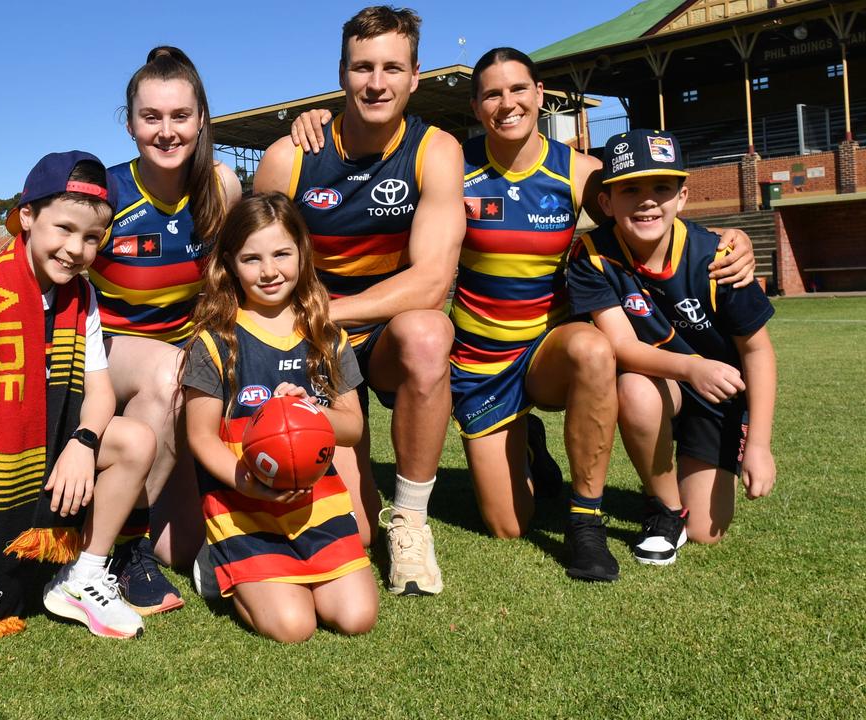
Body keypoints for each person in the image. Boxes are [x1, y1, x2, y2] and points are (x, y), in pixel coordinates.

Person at [290, 43, 757, 582]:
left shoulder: (581, 173)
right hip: (480, 362)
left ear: (540, 95)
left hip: (546, 351)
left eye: (518, 89)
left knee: (591, 347)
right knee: (509, 524)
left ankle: (586, 523)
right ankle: (531, 447)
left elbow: (647, 207)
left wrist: (728, 236)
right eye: (492, 94)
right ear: (476, 106)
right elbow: (375, 158)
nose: (506, 103)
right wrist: (319, 120)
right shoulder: (451, 165)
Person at [253, 6, 466, 597]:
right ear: (342, 74)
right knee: (348, 532)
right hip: (314, 338)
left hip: (375, 329)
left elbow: (429, 284)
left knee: (428, 332)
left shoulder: (436, 150)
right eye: (363, 67)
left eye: (392, 68)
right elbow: (254, 264)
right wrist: (309, 323)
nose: (377, 82)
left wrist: (331, 311)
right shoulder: (288, 157)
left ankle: (413, 523)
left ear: (415, 76)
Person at [0, 151, 155, 646]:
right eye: (64, 229)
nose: (76, 249)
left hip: (54, 459)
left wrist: (84, 442)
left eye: (92, 237)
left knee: (134, 440)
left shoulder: (82, 298)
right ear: (27, 217)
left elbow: (100, 392)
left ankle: (82, 576)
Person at [568, 129, 776, 564]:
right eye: (630, 189)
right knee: (635, 390)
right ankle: (665, 508)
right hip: (667, 385)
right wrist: (690, 368)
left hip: (720, 398)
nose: (647, 201)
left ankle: (690, 494)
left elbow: (757, 352)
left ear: (681, 197)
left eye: (661, 187)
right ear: (606, 202)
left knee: (707, 532)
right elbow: (621, 345)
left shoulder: (718, 257)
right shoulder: (592, 255)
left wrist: (759, 445)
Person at [182, 193, 377, 643]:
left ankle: (283, 577)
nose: (269, 271)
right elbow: (200, 437)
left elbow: (353, 427)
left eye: (281, 254)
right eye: (251, 258)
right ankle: (219, 563)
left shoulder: (326, 335)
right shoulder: (216, 341)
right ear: (229, 263)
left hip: (315, 502)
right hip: (244, 506)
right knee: (293, 627)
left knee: (357, 617)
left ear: (302, 252)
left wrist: (314, 412)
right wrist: (244, 481)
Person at [90, 46, 241, 612]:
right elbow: (37, 272)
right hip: (107, 356)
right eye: (151, 117)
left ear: (201, 118)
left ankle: (129, 528)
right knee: (169, 367)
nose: (167, 131)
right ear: (130, 123)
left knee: (185, 544)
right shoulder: (105, 191)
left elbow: (233, 283)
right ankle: (120, 554)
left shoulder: (222, 188)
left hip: (185, 360)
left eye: (180, 116)